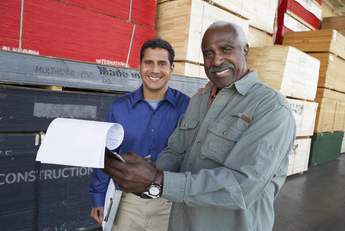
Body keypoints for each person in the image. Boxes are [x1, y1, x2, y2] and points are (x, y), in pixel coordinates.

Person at [101, 21, 296, 231]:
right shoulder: (199, 99)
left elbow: (243, 185)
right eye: (208, 53)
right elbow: (176, 150)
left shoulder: (270, 107)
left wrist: (158, 180)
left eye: (226, 49)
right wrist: (146, 171)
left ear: (245, 50)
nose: (217, 60)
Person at [89, 38, 190, 230]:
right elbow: (105, 154)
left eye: (162, 63)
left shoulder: (187, 107)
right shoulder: (119, 107)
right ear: (139, 66)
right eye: (148, 63)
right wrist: (98, 197)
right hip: (127, 204)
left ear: (172, 68)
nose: (154, 70)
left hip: (170, 204)